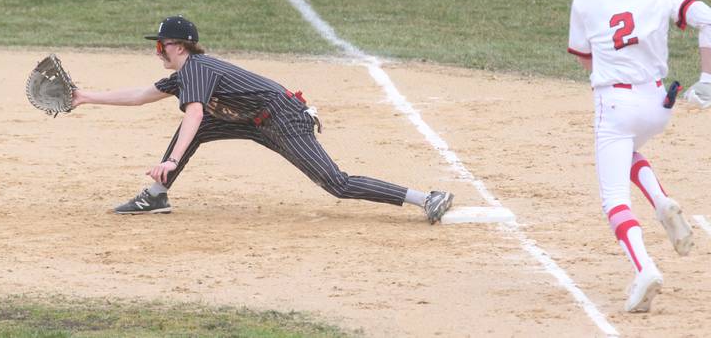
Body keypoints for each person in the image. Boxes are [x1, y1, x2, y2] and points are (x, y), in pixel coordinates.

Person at [71, 15, 454, 223]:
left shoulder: (197, 69)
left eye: (160, 45)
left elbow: (195, 111)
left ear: (180, 46)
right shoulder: (187, 74)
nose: (157, 52)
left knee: (335, 183)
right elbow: (141, 95)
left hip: (284, 119)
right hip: (254, 120)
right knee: (201, 126)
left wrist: (171, 160)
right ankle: (156, 196)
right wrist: (84, 97)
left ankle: (425, 198)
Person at [568, 0, 711, 313]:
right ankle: (662, 201)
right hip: (658, 104)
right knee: (628, 150)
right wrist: (708, 81)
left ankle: (644, 266)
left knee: (613, 200)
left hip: (615, 106)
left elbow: (584, 58)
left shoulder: (584, 1)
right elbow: (707, 18)